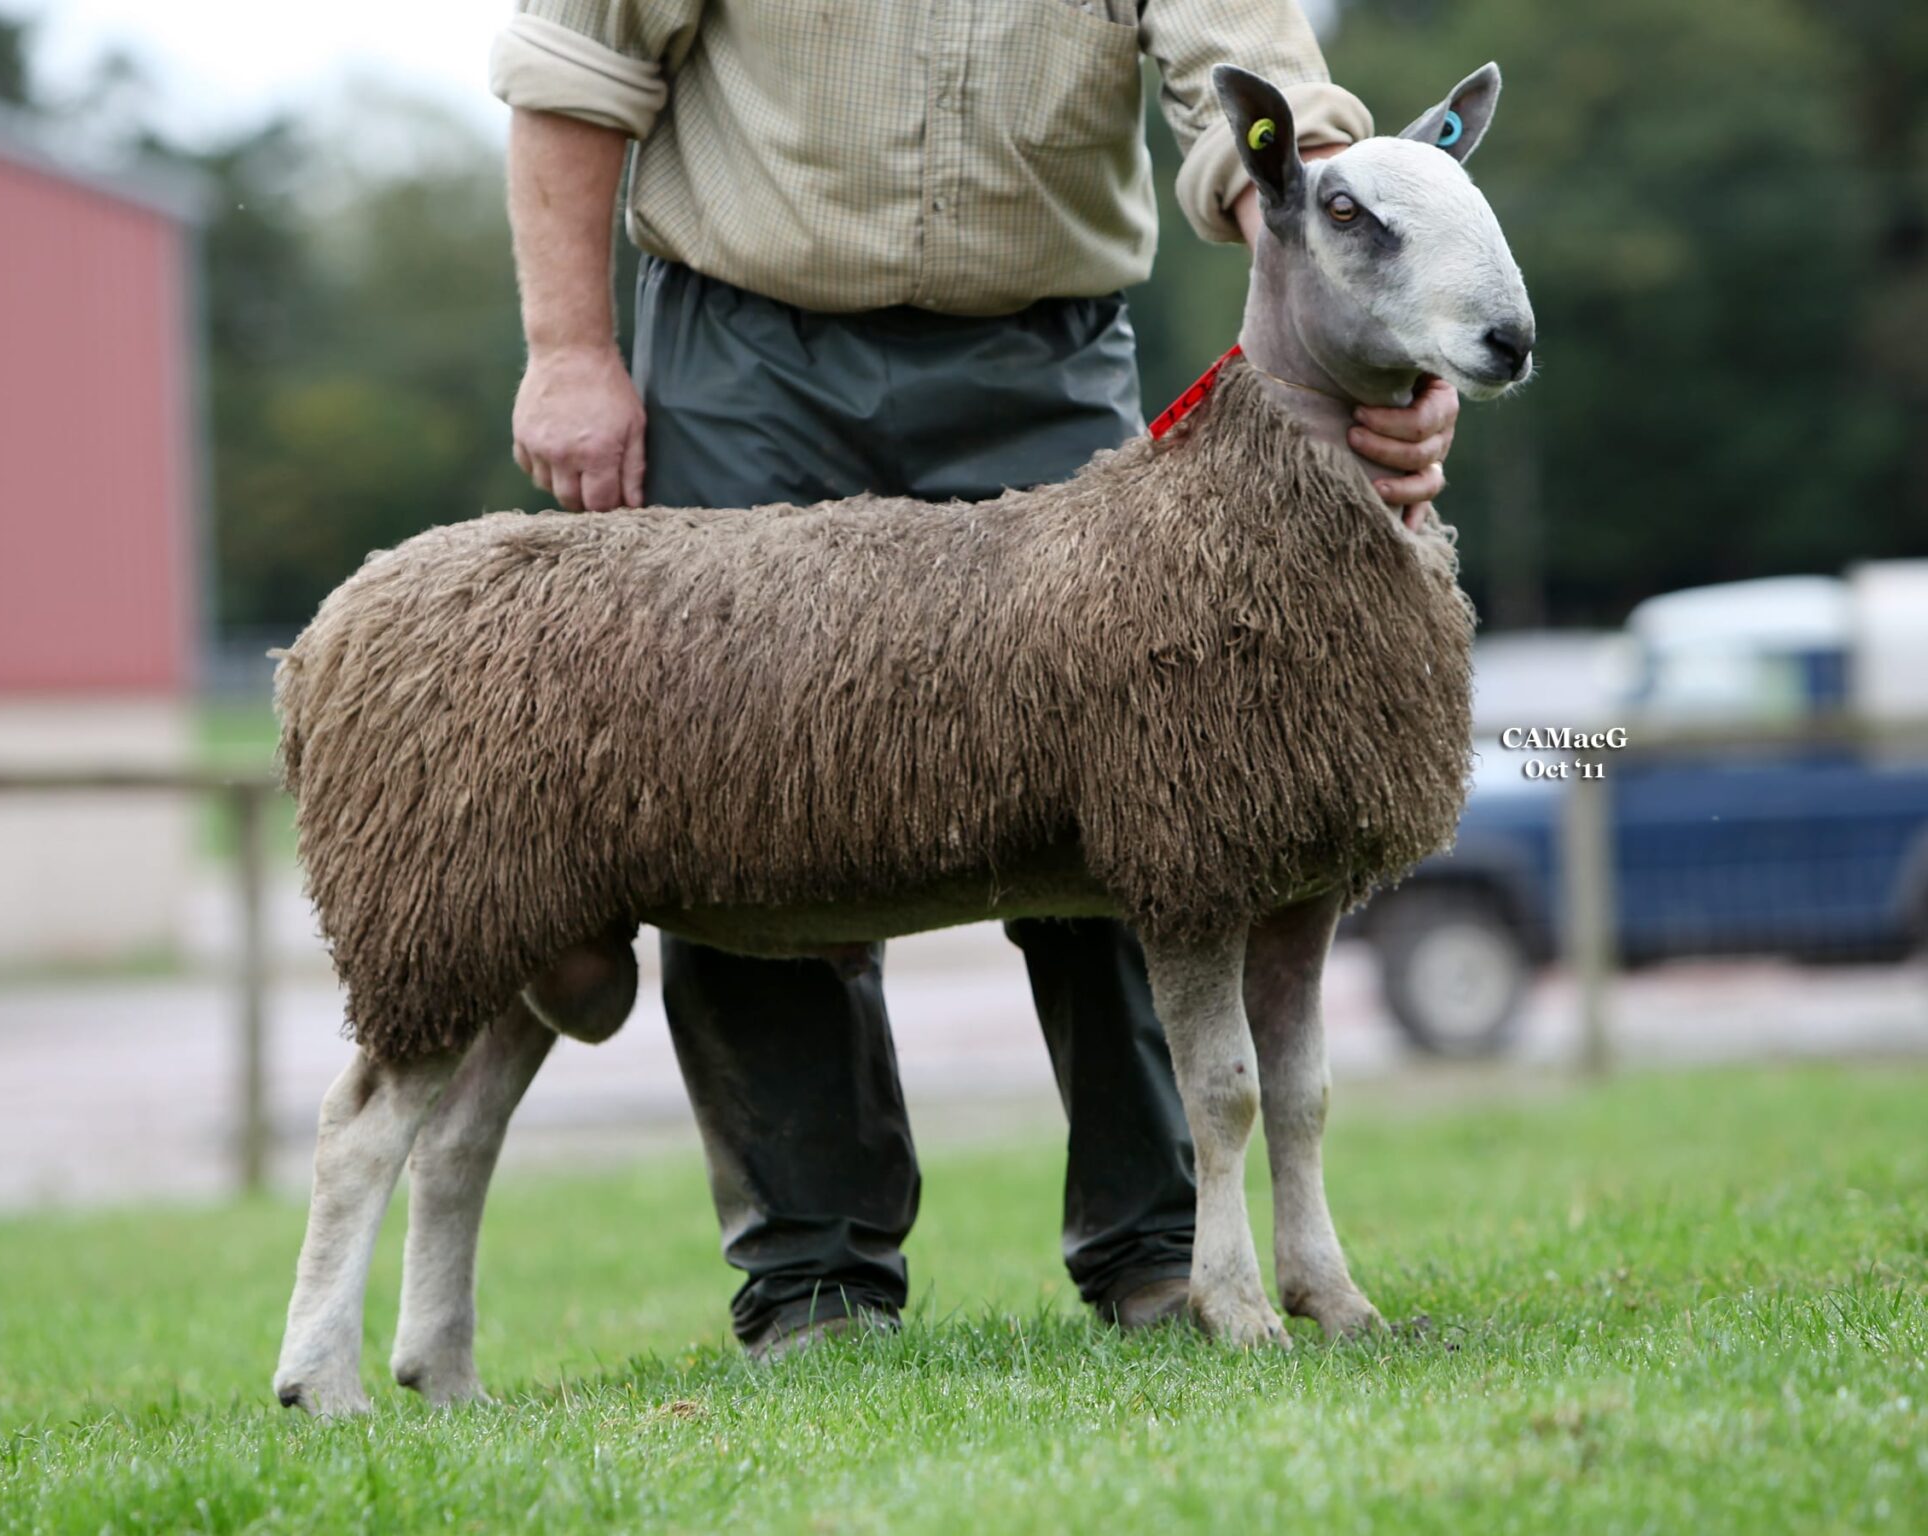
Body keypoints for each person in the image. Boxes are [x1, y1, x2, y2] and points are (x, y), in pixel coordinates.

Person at [490, 0, 1459, 1356]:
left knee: (1156, 773)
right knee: (747, 785)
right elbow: (576, 74)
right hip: (753, 353)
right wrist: (570, 352)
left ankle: (1170, 1251)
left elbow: (1258, 102)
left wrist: (1380, 318)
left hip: (1040, 355)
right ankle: (814, 1277)